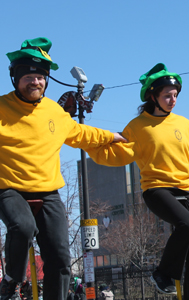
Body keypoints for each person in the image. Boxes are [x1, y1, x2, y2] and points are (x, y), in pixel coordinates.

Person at [83, 63, 189, 300]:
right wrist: (89, 144)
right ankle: (163, 274)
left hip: (186, 190)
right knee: (186, 224)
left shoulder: (183, 124)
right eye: (167, 96)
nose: (172, 100)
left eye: (175, 96)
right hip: (157, 189)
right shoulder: (137, 127)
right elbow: (116, 154)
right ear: (153, 96)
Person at [0, 37, 126, 300]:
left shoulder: (54, 112)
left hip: (48, 192)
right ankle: (11, 281)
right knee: (22, 227)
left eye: (40, 77)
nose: (35, 82)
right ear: (15, 77)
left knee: (60, 260)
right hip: (9, 188)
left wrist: (114, 136)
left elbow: (82, 133)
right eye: (28, 76)